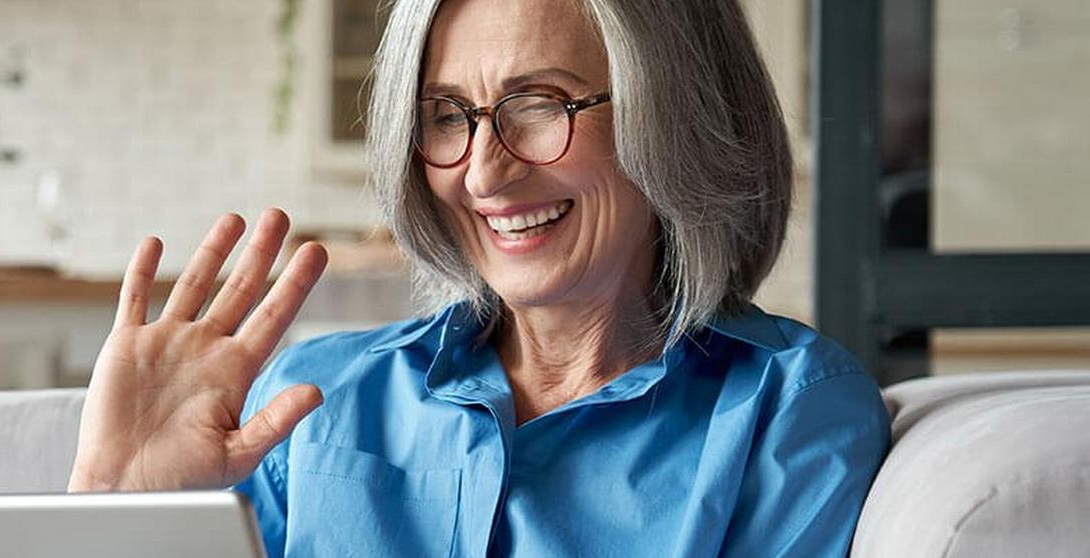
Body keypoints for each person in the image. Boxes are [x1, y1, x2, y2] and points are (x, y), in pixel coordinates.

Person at [67, 0, 891, 555]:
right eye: (448, 115)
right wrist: (117, 506)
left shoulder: (788, 410)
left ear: (674, 113)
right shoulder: (314, 399)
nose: (485, 173)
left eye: (540, 104)